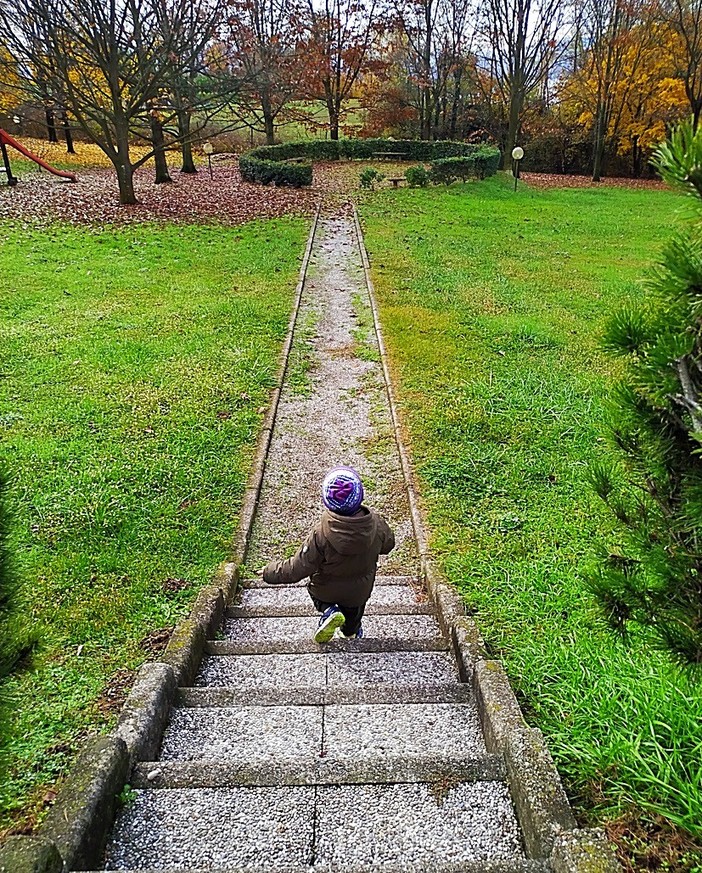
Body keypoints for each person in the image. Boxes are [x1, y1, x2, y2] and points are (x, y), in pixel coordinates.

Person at [262, 466, 395, 643]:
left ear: (327, 502)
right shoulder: (377, 525)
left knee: (317, 594)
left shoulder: (320, 534)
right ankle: (350, 633)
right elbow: (388, 546)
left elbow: (297, 568)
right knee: (353, 618)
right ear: (360, 496)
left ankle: (329, 610)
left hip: (326, 590)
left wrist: (269, 571)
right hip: (358, 591)